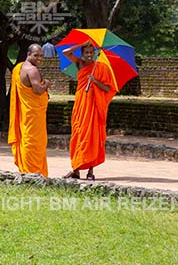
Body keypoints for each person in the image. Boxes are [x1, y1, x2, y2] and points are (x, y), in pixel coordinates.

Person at [62, 41, 116, 181]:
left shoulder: (101, 67)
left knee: (92, 136)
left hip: (94, 105)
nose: (89, 55)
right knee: (78, 134)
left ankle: (90, 171)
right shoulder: (80, 63)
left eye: (91, 52)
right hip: (81, 103)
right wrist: (81, 44)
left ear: (95, 53)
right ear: (82, 53)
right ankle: (76, 169)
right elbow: (65, 52)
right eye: (86, 52)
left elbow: (108, 89)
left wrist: (95, 81)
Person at [8, 44, 52, 177]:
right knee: (34, 142)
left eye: (41, 56)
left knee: (28, 139)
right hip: (33, 113)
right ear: (28, 54)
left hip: (27, 112)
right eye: (36, 55)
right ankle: (33, 172)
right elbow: (38, 90)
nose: (39, 58)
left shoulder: (19, 67)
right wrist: (47, 84)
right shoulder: (32, 70)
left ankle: (28, 169)